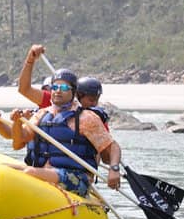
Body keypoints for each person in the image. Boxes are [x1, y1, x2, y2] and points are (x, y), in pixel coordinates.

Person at [7, 68, 121, 197]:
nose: (58, 90)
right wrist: (17, 122)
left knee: (30, 173)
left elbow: (113, 147)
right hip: (43, 170)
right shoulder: (42, 114)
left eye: (64, 87)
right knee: (4, 169)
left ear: (73, 91)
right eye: (55, 87)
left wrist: (114, 169)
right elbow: (19, 141)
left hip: (76, 178)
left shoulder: (87, 118)